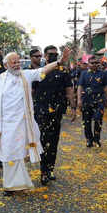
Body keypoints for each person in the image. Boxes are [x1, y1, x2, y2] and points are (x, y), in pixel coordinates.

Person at [0, 49, 71, 196]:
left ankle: (15, 185)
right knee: (7, 153)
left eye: (18, 61)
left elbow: (43, 70)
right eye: (14, 62)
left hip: (22, 124)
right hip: (5, 125)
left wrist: (59, 62)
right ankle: (10, 184)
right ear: (6, 65)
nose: (17, 64)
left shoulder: (26, 75)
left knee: (18, 153)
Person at [33, 45, 76, 185]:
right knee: (43, 140)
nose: (53, 56)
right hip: (41, 111)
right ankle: (43, 170)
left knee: (53, 141)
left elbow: (69, 90)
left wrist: (73, 107)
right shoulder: (39, 72)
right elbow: (31, 92)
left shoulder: (64, 71)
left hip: (57, 111)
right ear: (45, 56)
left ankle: (50, 168)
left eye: (55, 54)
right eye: (50, 54)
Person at [77, 56, 107, 147]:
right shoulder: (84, 73)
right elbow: (80, 86)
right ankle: (89, 139)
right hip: (86, 100)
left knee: (98, 120)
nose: (94, 64)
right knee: (86, 121)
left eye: (96, 63)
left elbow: (106, 87)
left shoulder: (103, 74)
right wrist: (79, 100)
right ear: (88, 64)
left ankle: (97, 139)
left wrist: (106, 99)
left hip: (99, 101)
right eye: (92, 63)